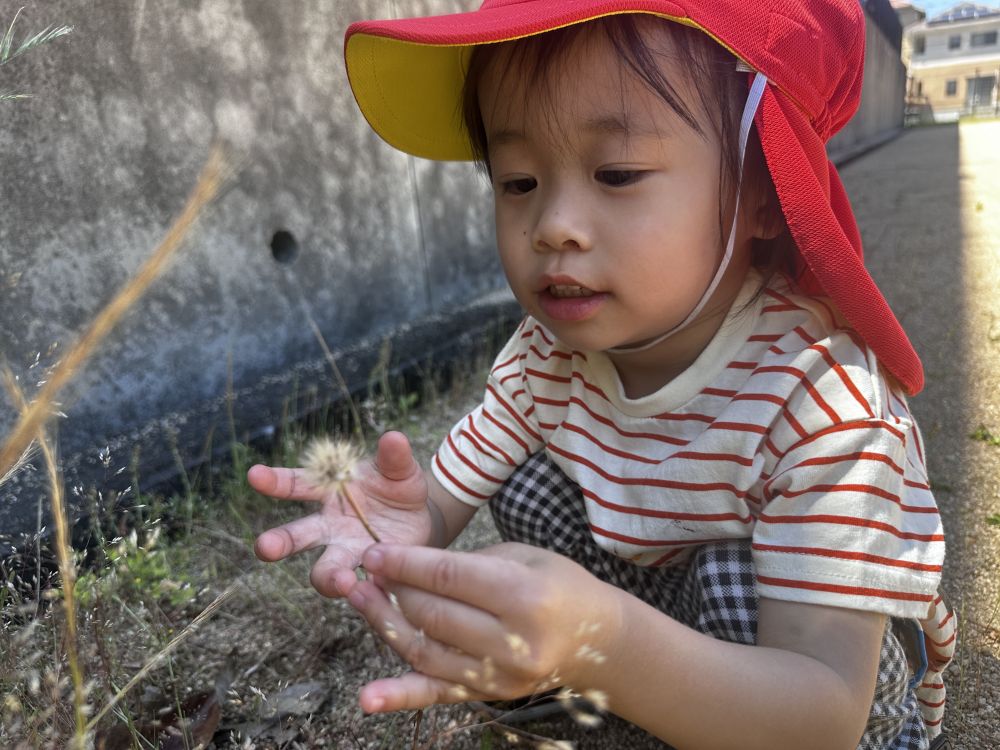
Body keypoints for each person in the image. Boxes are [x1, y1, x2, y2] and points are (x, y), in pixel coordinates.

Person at [250, 1, 957, 747]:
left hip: (819, 684)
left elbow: (827, 716)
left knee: (730, 579)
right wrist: (400, 522)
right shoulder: (547, 353)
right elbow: (451, 492)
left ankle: (657, 685)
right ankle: (650, 692)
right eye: (518, 181)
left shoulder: (822, 404)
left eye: (616, 173)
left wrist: (610, 643)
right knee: (527, 488)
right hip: (670, 597)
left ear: (766, 191)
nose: (553, 223)